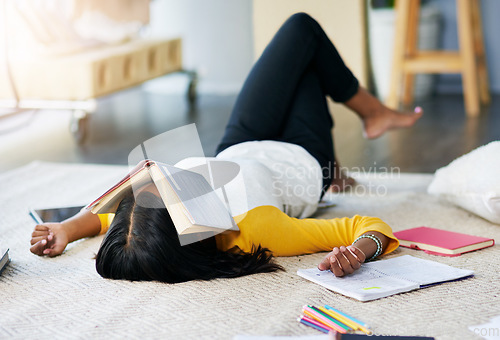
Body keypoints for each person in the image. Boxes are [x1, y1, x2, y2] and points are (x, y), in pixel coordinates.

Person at [30, 13, 422, 283]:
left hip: (239, 146)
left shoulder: (160, 218)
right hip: (302, 157)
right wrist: (359, 251)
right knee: (306, 51)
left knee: (299, 36)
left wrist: (66, 228)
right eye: (167, 186)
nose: (158, 172)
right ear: (194, 219)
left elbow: (117, 220)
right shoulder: (259, 228)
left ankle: (365, 126)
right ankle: (365, 125)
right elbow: (369, 226)